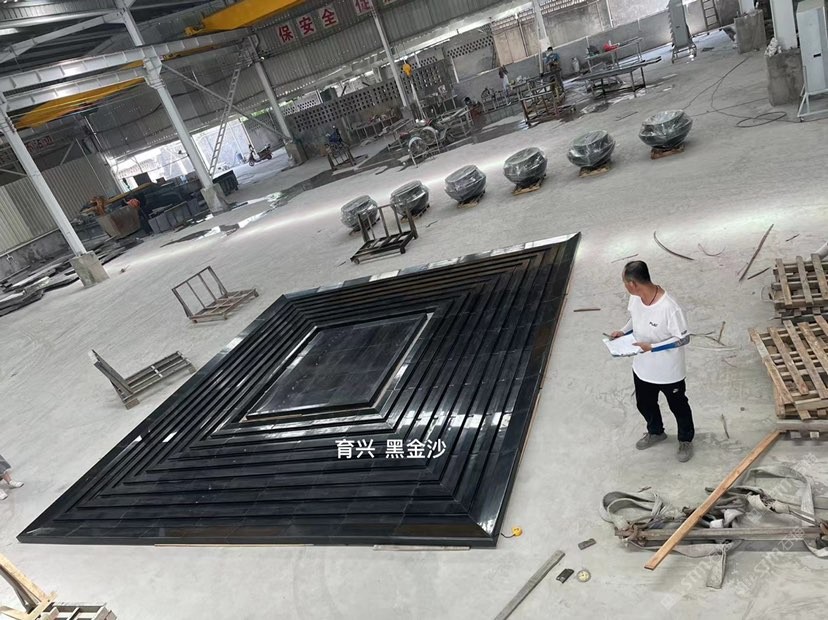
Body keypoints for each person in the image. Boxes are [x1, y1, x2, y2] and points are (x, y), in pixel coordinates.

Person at [609, 261, 695, 462]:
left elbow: (683, 338)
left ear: (632, 284)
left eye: (624, 282)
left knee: (678, 407)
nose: (625, 286)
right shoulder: (636, 298)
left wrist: (653, 347)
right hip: (642, 368)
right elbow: (635, 319)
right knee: (644, 403)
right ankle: (656, 431)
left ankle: (685, 439)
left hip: (669, 372)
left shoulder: (669, 308)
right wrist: (623, 331)